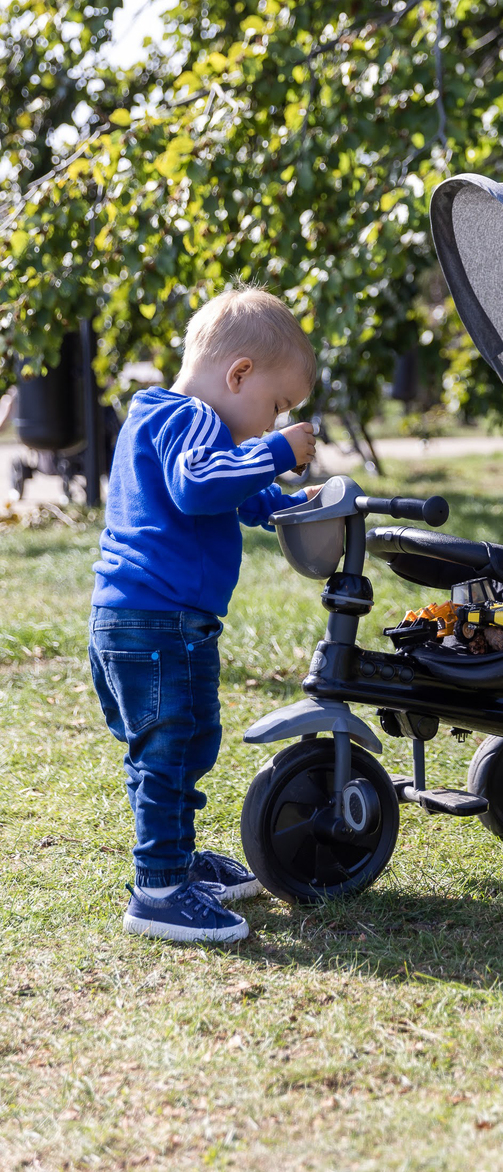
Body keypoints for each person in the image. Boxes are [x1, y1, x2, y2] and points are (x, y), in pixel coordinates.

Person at [89, 287, 319, 941]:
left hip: (129, 621)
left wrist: (281, 503)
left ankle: (177, 864)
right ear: (238, 373)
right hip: (162, 624)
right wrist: (277, 451)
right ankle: (160, 889)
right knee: (174, 752)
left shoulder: (157, 418)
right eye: (274, 406)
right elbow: (199, 485)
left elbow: (225, 495)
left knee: (172, 750)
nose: (270, 423)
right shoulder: (194, 420)